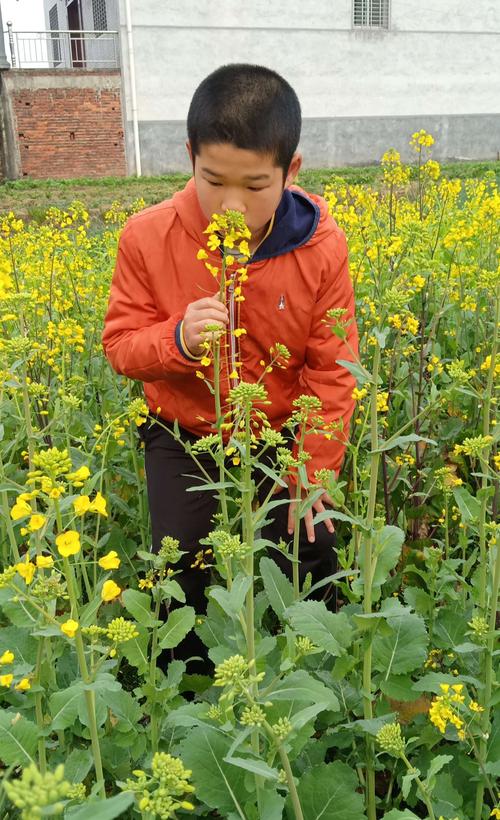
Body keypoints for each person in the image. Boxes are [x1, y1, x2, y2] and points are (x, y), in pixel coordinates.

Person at [102, 63, 358, 670]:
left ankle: (328, 672)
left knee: (311, 543)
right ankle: (184, 693)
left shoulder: (321, 246)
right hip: (184, 433)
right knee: (184, 560)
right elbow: (120, 346)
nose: (232, 206)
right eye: (212, 181)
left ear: (291, 171)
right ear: (189, 156)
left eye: (255, 185)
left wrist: (312, 469)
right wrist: (178, 341)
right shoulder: (147, 238)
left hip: (281, 434)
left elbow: (332, 368)